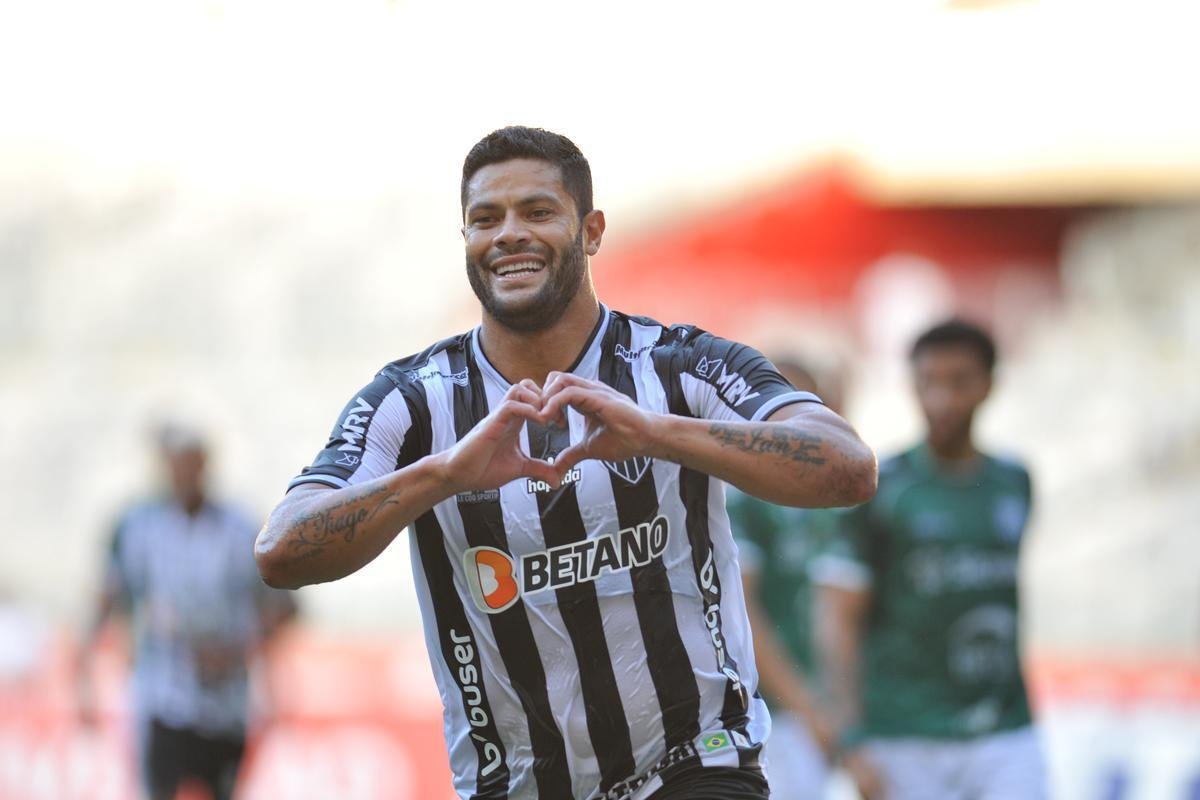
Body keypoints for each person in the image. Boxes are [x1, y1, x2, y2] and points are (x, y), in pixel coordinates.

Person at [255, 126, 877, 800]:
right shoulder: (412, 401)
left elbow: (847, 468)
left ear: (591, 230)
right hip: (518, 785)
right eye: (484, 219)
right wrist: (443, 475)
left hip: (695, 765)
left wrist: (661, 435)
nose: (508, 234)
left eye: (538, 211)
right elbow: (281, 551)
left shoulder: (675, 365)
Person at [812, 319, 1043, 799]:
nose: (942, 399)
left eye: (958, 382)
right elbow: (837, 616)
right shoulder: (881, 487)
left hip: (1007, 730)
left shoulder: (1015, 483)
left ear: (989, 385)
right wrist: (850, 736)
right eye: (928, 383)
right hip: (904, 736)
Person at [79, 424, 297, 800]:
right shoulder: (138, 527)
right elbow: (109, 596)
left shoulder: (239, 527)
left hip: (226, 701)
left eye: (193, 464)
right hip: (161, 695)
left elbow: (284, 605)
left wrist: (239, 646)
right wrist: (84, 675)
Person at [726, 359, 843, 798]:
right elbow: (744, 612)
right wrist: (809, 708)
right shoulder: (744, 499)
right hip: (775, 715)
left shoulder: (833, 500)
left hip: (827, 709)